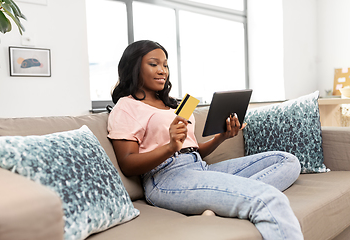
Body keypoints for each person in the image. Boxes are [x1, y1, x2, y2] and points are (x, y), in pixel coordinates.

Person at [107, 40, 303, 240]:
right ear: (134, 66)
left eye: (165, 65)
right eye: (153, 64)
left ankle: (222, 200)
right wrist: (169, 147)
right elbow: (127, 163)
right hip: (166, 177)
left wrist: (222, 137)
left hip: (199, 168)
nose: (162, 70)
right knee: (268, 198)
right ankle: (231, 198)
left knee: (288, 161)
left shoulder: (174, 104)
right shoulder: (126, 107)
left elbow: (194, 150)